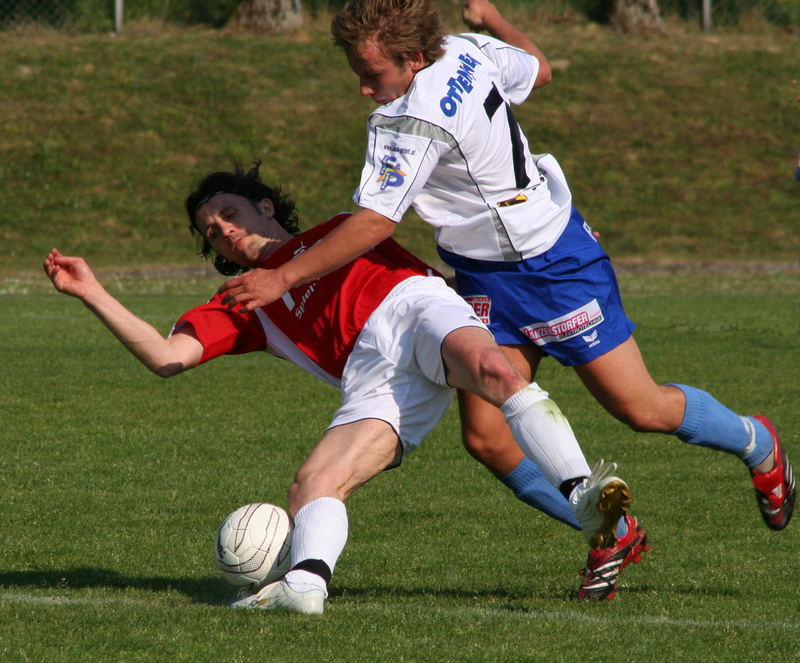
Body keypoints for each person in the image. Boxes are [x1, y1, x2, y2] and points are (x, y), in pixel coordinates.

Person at [217, 0, 795, 594]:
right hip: (483, 276)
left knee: (640, 409)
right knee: (486, 438)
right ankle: (609, 529)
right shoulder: (467, 49)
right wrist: (492, 22)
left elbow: (375, 223)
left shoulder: (406, 123)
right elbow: (539, 69)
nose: (365, 90)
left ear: (414, 57)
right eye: (357, 74)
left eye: (373, 76)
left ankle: (757, 442)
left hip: (554, 264)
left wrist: (283, 278)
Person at [43, 162, 635, 615]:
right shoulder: (247, 305)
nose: (223, 230)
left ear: (264, 206)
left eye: (229, 212)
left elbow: (461, 269)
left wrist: (554, 246)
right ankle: (303, 587)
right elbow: (166, 357)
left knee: (496, 373)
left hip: (413, 308)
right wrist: (90, 290)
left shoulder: (337, 235)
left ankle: (585, 494)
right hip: (373, 377)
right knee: (312, 484)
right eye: (211, 231)